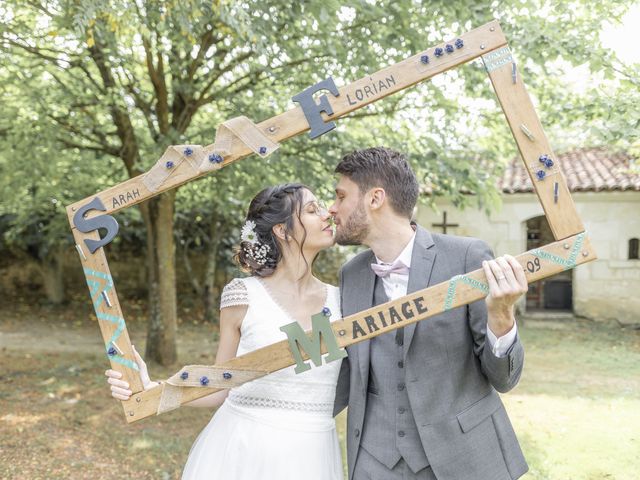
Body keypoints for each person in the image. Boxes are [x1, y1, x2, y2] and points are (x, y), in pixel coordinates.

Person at [105, 183, 344, 480]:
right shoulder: (243, 296)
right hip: (244, 450)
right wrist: (153, 389)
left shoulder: (342, 300)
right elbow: (219, 386)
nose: (327, 214)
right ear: (282, 231)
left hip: (314, 455)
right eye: (312, 210)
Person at [329, 146, 529, 480]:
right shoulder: (351, 275)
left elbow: (504, 379)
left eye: (340, 196)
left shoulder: (466, 257)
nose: (332, 209)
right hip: (375, 462)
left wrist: (502, 316)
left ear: (375, 198)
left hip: (463, 457)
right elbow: (348, 372)